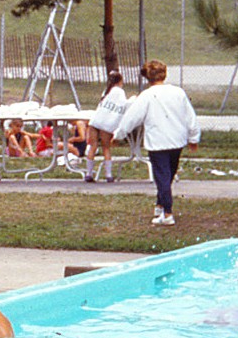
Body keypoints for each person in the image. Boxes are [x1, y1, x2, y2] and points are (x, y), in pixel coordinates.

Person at [112, 60, 200, 227]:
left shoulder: (146, 96)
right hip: (177, 140)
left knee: (162, 177)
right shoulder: (178, 92)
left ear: (147, 77)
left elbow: (131, 118)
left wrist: (118, 135)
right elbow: (190, 117)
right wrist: (193, 138)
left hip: (158, 142)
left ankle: (167, 213)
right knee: (169, 175)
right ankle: (160, 206)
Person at [84, 70, 127, 183]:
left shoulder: (106, 91)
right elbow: (122, 106)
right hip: (106, 123)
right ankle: (108, 174)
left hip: (95, 121)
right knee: (106, 147)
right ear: (120, 81)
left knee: (93, 146)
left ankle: (89, 173)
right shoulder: (120, 92)